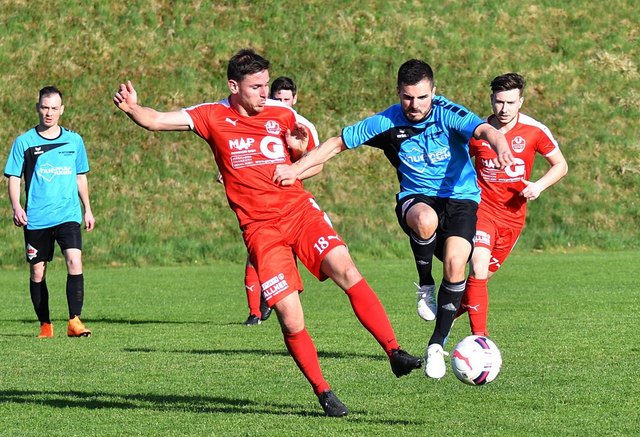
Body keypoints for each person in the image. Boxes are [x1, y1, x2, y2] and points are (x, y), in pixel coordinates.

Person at [112, 49, 422, 417]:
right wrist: (134, 109)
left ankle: (394, 351)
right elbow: (157, 120)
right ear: (234, 86)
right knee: (291, 316)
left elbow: (314, 164)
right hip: (260, 229)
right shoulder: (211, 115)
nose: (265, 93)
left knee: (346, 267)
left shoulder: (283, 114)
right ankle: (323, 391)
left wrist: (299, 155)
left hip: (298, 212)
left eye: (266, 85)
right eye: (256, 87)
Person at [273, 59, 514, 380]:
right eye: (408, 97)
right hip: (417, 198)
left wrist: (501, 146)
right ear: (399, 93)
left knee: (457, 263)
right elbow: (336, 144)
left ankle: (436, 346)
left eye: (422, 97)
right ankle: (425, 284)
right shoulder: (388, 121)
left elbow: (486, 130)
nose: (415, 105)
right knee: (425, 219)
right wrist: (295, 168)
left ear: (433, 92)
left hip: (461, 199)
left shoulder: (448, 113)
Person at [456, 73, 568, 336]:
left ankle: (443, 323)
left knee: (478, 282)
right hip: (482, 210)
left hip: (513, 218)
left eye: (510, 102)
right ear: (491, 100)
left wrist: (538, 186)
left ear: (521, 102)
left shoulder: (534, 131)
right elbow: (457, 164)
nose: (503, 109)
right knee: (478, 267)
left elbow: (561, 165)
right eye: (499, 102)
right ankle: (480, 341)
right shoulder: (478, 132)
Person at [4, 86, 95, 338]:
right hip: (37, 218)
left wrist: (87, 209)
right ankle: (45, 324)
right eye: (45, 107)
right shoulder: (24, 142)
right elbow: (13, 177)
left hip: (68, 215)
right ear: (38, 108)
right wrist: (16, 206)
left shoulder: (74, 141)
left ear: (61, 110)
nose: (49, 112)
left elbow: (80, 176)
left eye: (54, 108)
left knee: (75, 261)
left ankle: (75, 321)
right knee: (37, 271)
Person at [241, 75, 309, 326]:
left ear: (295, 99)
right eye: (277, 99)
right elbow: (241, 151)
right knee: (254, 255)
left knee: (291, 254)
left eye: (286, 99)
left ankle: (279, 298)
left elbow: (315, 162)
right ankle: (255, 312)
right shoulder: (257, 121)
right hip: (258, 202)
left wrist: (294, 170)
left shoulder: (301, 126)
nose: (282, 104)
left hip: (290, 203)